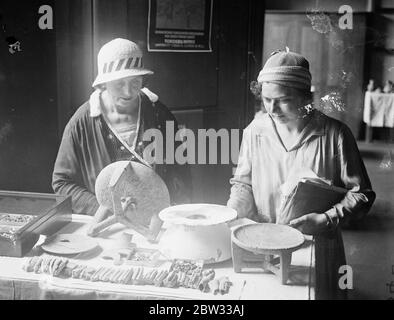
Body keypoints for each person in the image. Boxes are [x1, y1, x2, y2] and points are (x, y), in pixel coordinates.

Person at [227, 48, 376, 299]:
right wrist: (234, 210)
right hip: (265, 240)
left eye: (283, 100)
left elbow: (361, 195)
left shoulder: (335, 135)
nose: (272, 109)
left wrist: (326, 219)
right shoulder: (255, 131)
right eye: (266, 99)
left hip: (317, 244)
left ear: (306, 98)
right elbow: (243, 183)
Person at [52, 38, 191, 215]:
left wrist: (176, 216)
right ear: (104, 84)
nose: (128, 92)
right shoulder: (82, 123)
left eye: (135, 82)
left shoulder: (159, 114)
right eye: (119, 83)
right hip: (108, 225)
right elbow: (62, 183)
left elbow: (181, 174)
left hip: (155, 221)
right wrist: (100, 208)